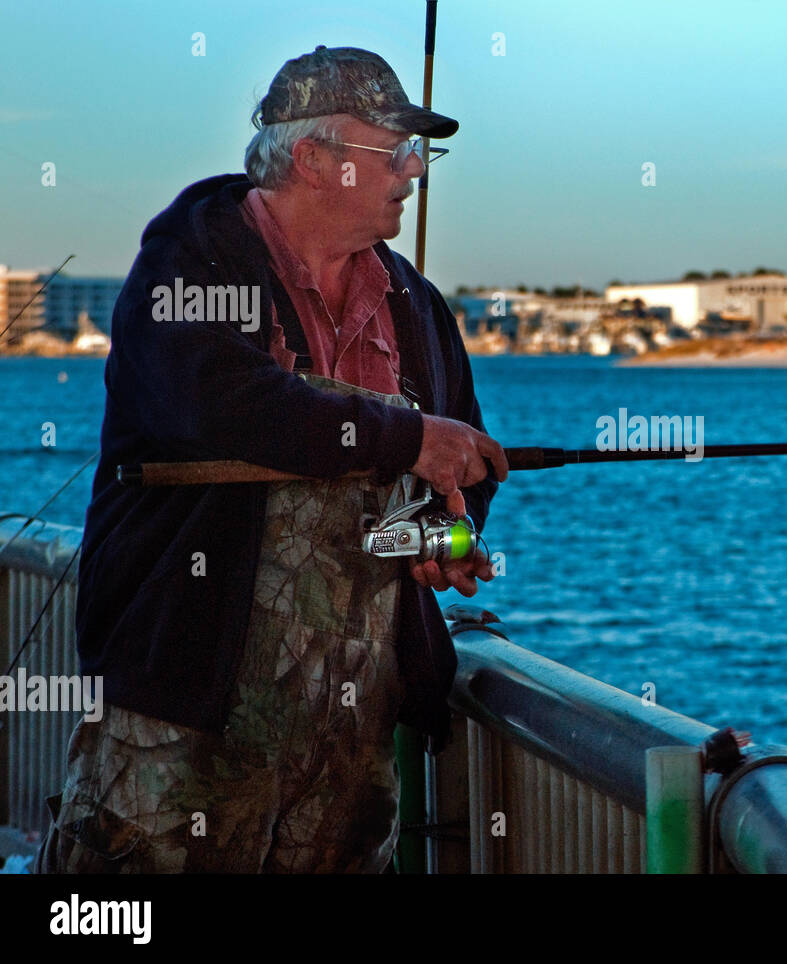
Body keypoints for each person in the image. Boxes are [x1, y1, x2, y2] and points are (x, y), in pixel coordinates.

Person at [36, 45, 507, 873]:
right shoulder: (187, 269)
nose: (414, 171)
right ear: (311, 158)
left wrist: (443, 533)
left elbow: (458, 453)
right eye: (393, 149)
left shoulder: (420, 310)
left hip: (351, 741)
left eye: (421, 152)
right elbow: (224, 407)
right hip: (182, 718)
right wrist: (409, 437)